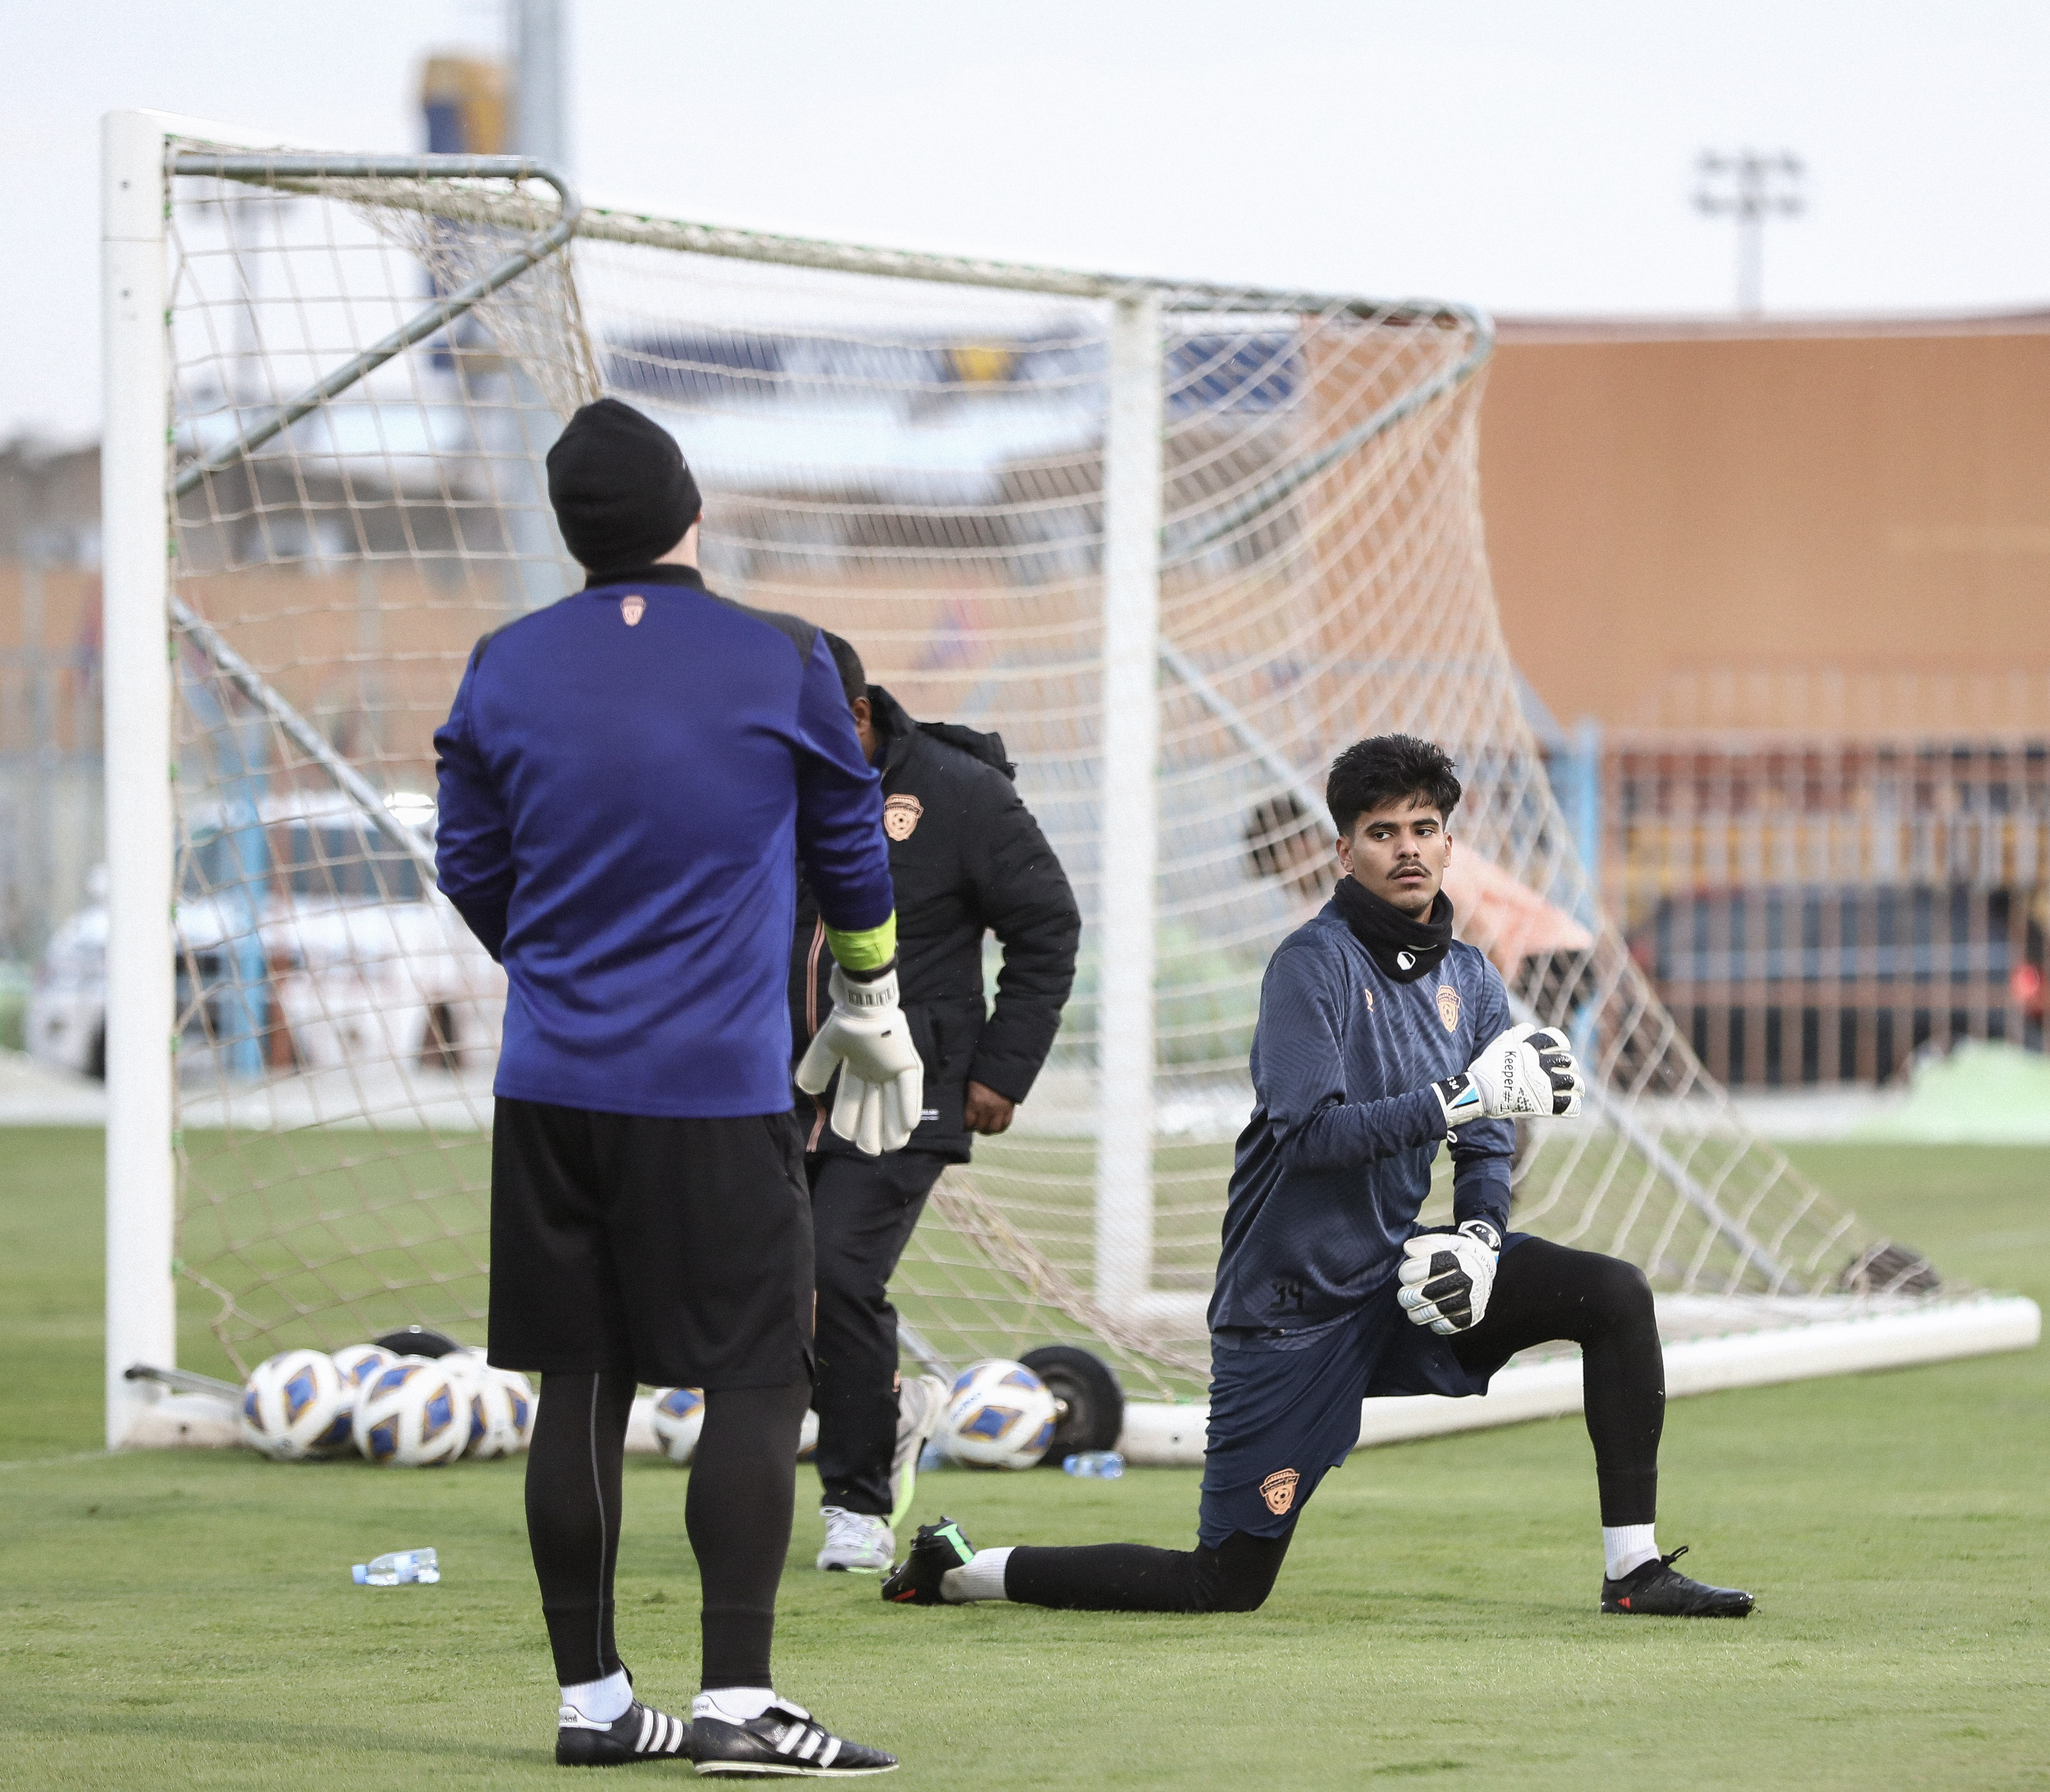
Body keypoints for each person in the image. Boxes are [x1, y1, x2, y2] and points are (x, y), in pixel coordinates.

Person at [880, 734, 1755, 1621]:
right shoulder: (1309, 965)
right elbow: (1307, 1135)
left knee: (1611, 1294)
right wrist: (1458, 1095)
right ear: (1344, 851)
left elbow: (1485, 1142)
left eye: (1424, 827)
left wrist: (1480, 1239)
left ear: (1449, 844)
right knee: (1221, 1583)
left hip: (1397, 1278)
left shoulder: (1470, 974)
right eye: (1382, 832)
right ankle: (960, 1568)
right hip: (1286, 1311)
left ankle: (1633, 1572)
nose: (1407, 847)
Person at [434, 397, 906, 1776]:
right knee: (758, 1373)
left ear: (570, 531)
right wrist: (870, 992)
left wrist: (563, 961)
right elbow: (850, 855)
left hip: (551, 1084)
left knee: (577, 1384)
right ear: (693, 508)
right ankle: (741, 1699)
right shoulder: (785, 655)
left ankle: (593, 1701)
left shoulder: (501, 661)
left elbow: (469, 861)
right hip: (712, 1089)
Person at [791, 632, 1080, 1573]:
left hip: (907, 1083)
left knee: (836, 1272)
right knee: (760, 1287)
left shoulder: (958, 791)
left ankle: (856, 1501)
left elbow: (1046, 924)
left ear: (861, 715)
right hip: (771, 1081)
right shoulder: (758, 785)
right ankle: (886, 1409)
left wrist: (1002, 1066)